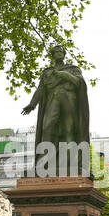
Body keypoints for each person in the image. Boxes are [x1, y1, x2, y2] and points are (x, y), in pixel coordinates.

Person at [21, 45, 90, 175]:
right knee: (46, 128)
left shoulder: (72, 69)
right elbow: (41, 89)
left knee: (68, 131)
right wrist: (32, 104)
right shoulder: (47, 72)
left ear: (64, 54)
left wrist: (65, 75)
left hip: (69, 101)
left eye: (61, 52)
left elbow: (79, 83)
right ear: (52, 55)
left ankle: (71, 163)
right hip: (52, 101)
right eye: (56, 52)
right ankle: (42, 163)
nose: (59, 53)